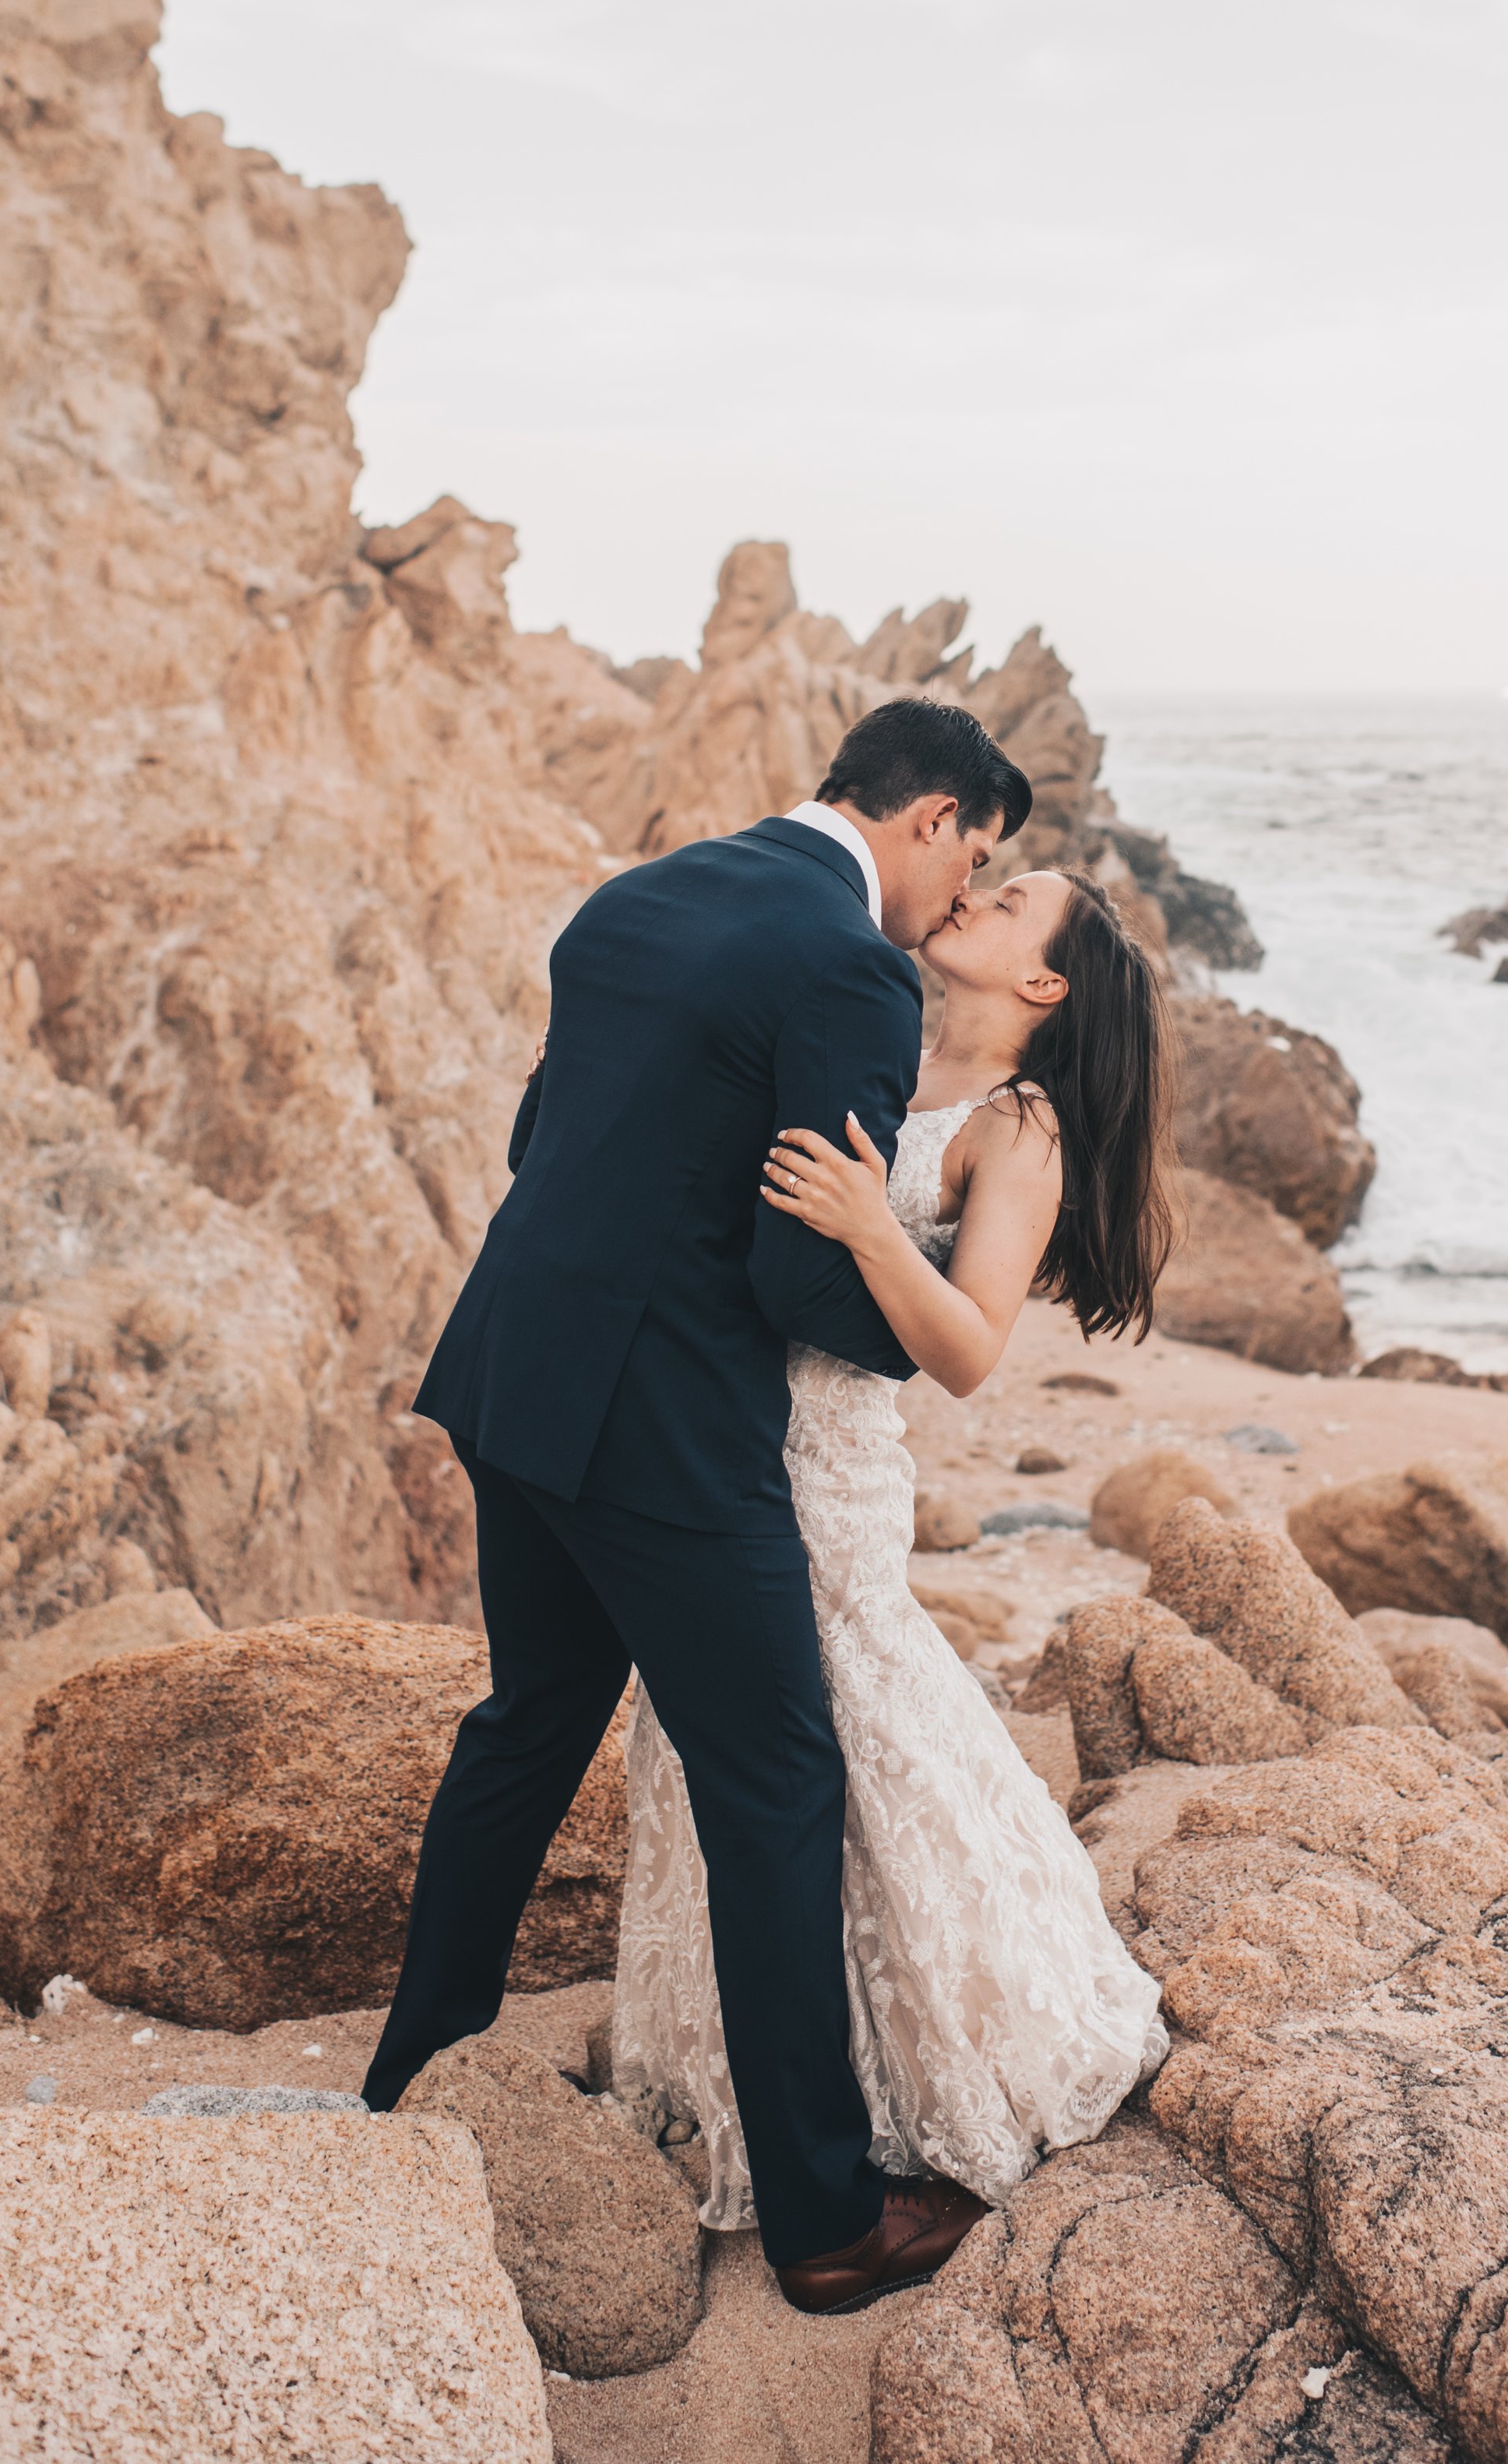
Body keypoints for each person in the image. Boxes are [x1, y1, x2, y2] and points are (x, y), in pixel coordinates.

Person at [364, 697, 1033, 2316]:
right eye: (975, 863)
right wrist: (895, 1345)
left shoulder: (636, 894)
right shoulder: (845, 967)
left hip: (513, 1369)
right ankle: (821, 2221)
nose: (959, 906)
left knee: (526, 1723)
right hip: (658, 1428)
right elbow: (798, 1262)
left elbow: (547, 1134)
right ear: (929, 816)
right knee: (775, 1784)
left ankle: (408, 2081)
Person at [613, 859, 1174, 2242]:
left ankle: (915, 2062)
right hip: (735, 1426)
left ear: (1043, 983)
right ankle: (768, 2062)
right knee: (737, 1735)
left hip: (836, 1457)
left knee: (847, 1727)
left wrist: (870, 1223)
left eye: (1010, 901)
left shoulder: (1017, 1123)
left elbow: (972, 1349)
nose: (974, 894)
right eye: (980, 879)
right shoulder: (884, 1045)